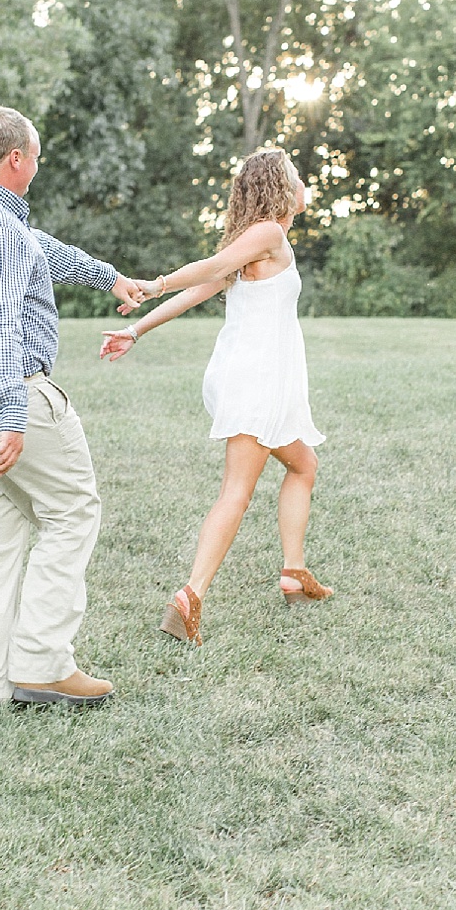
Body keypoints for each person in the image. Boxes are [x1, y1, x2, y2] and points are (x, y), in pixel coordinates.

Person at [0, 105, 147, 710]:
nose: (39, 166)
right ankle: (43, 666)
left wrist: (108, 277)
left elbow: (39, 248)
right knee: (72, 512)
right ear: (17, 158)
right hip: (3, 393)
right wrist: (14, 415)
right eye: (37, 156)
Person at [98, 147, 332, 646]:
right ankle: (190, 596)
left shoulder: (260, 240)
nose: (301, 182)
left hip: (261, 378)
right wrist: (153, 286)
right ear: (279, 186)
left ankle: (294, 572)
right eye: (295, 175)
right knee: (236, 492)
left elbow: (201, 289)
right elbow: (208, 271)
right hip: (257, 381)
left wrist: (136, 331)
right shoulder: (266, 234)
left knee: (303, 464)